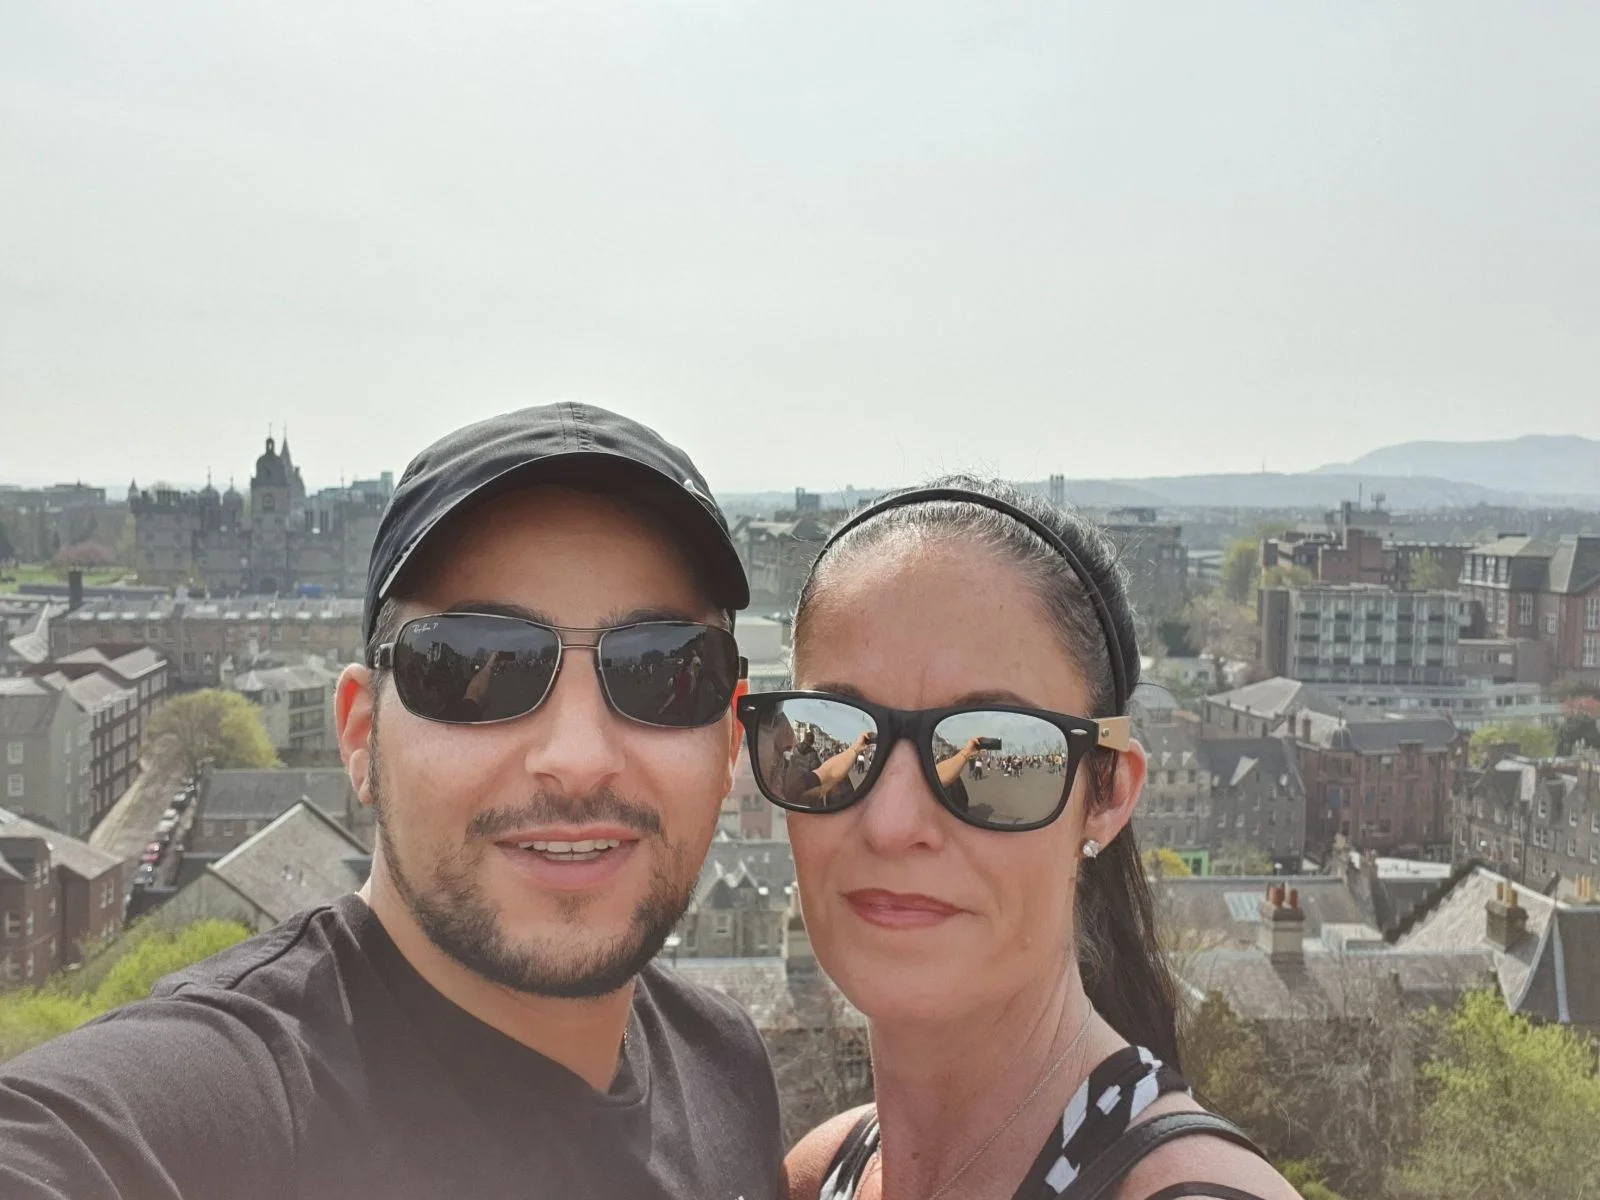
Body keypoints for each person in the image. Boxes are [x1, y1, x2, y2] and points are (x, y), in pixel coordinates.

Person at [0, 402, 785, 1200]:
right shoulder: (212, 1111)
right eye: (475, 666)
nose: (577, 760)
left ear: (730, 739)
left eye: (665, 671)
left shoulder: (728, 1067)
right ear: (360, 735)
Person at [741, 478, 1301, 1200]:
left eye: (994, 755)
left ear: (1107, 793)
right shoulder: (820, 1174)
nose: (892, 823)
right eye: (831, 741)